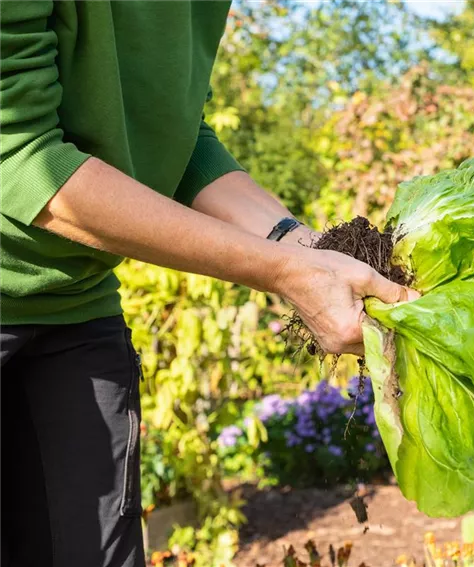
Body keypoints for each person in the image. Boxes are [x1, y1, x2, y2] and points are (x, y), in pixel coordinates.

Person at [0, 3, 418, 566]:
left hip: (75, 305)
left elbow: (180, 140)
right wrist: (284, 271)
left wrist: (306, 248)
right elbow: (20, 156)